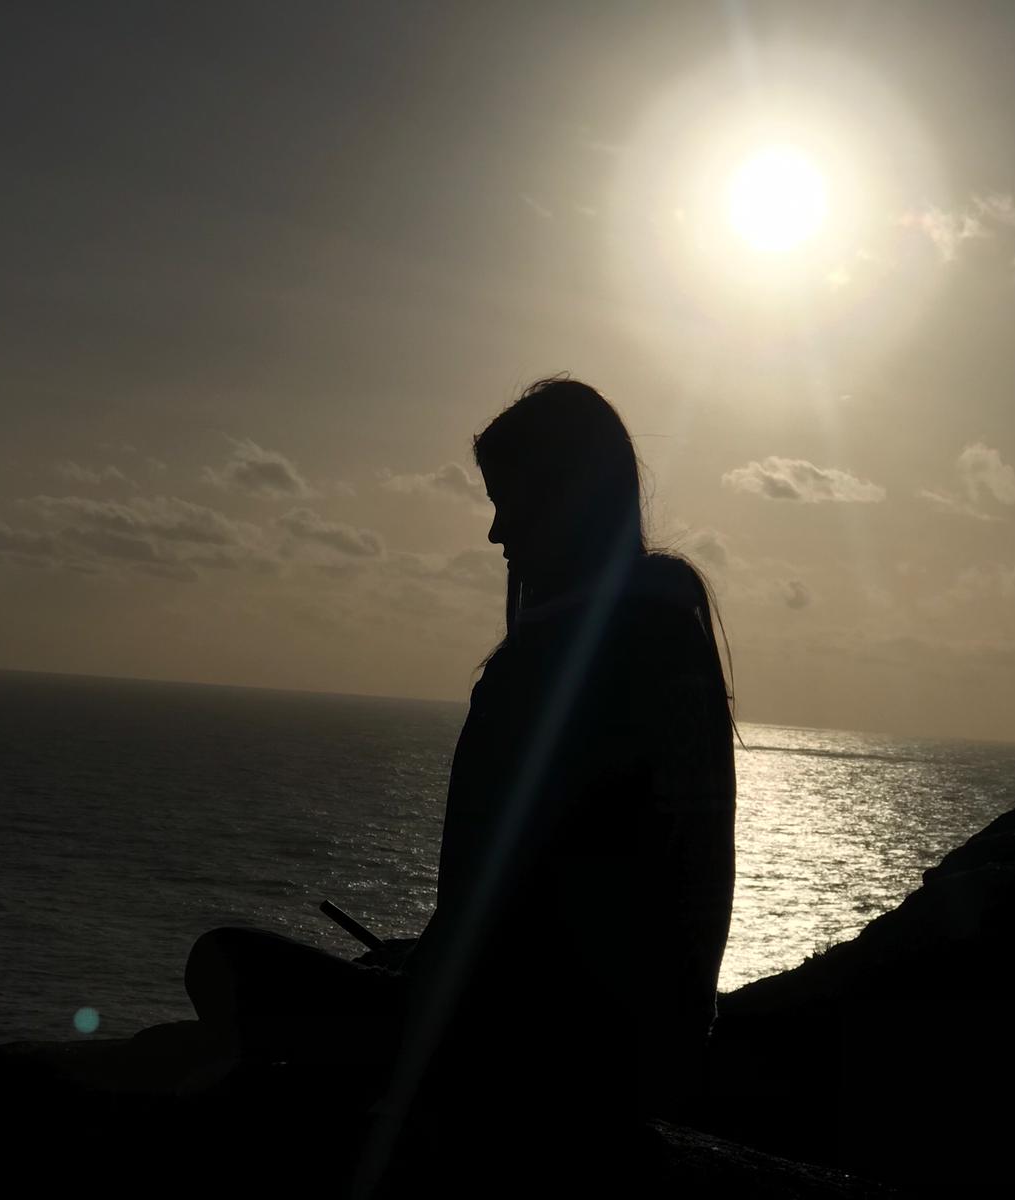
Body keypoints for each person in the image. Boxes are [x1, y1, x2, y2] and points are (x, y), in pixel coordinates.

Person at [182, 376, 736, 1192]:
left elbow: (488, 905)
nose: (496, 532)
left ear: (565, 503)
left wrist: (419, 976)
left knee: (222, 962)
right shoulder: (674, 639)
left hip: (531, 1056)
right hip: (657, 1054)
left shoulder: (542, 674)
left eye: (510, 503)